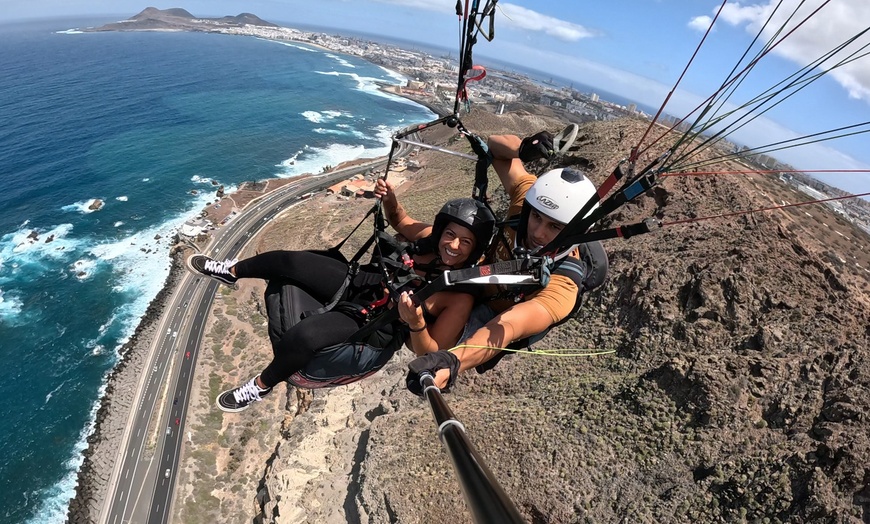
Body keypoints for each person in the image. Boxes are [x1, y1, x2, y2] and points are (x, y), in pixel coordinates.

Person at [186, 179, 496, 412]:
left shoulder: (458, 297)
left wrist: (415, 323)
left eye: (465, 242)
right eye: (451, 235)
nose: (453, 246)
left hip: (373, 320)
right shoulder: (429, 239)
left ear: (474, 249)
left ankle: (260, 386)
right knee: (288, 261)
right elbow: (400, 220)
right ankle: (231, 271)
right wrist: (389, 198)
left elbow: (429, 351)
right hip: (359, 280)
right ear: (442, 230)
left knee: (306, 337)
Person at [404, 130, 608, 393]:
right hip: (477, 274)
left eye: (555, 227)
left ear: (574, 234)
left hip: (493, 313)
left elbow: (509, 326)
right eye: (536, 218)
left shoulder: (562, 289)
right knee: (424, 246)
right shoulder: (527, 201)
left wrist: (452, 362)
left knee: (433, 346)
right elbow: (496, 149)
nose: (538, 233)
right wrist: (522, 149)